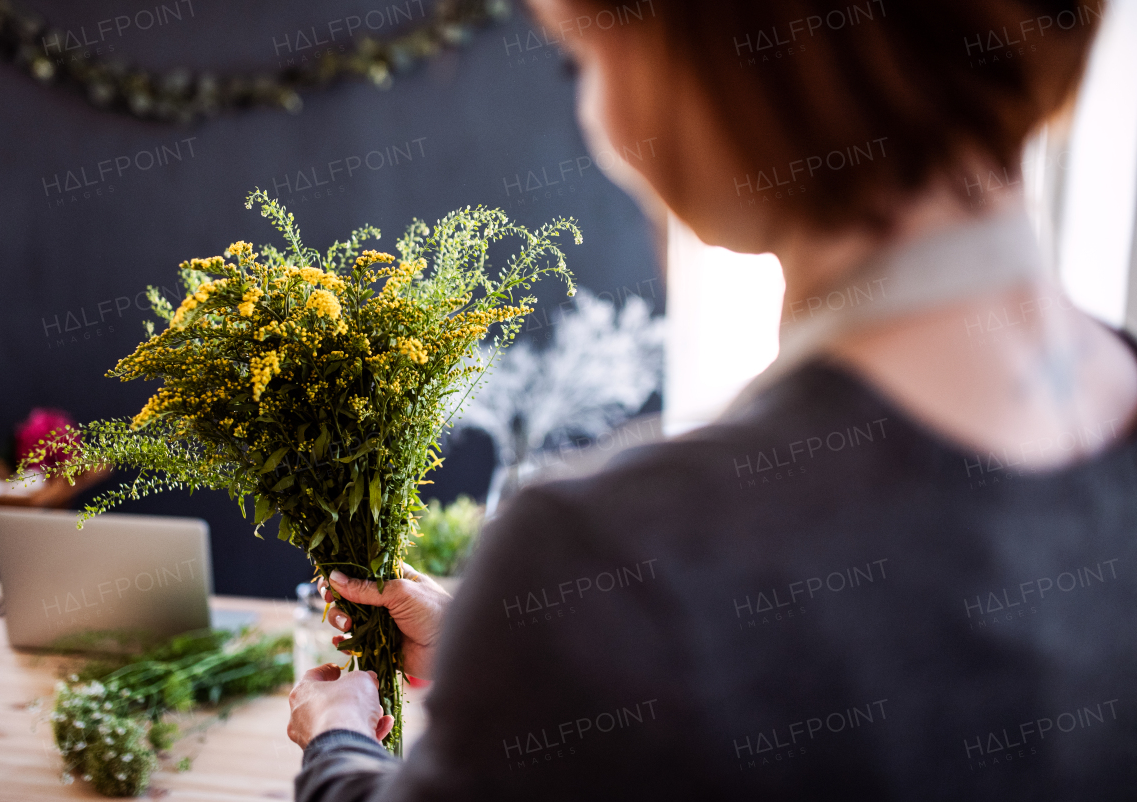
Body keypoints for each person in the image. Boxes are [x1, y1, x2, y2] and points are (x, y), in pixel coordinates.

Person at [287, 0, 1137, 797]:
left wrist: (340, 745)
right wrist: (517, 669)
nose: (597, 120)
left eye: (583, 56)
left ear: (715, 65)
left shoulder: (606, 560)